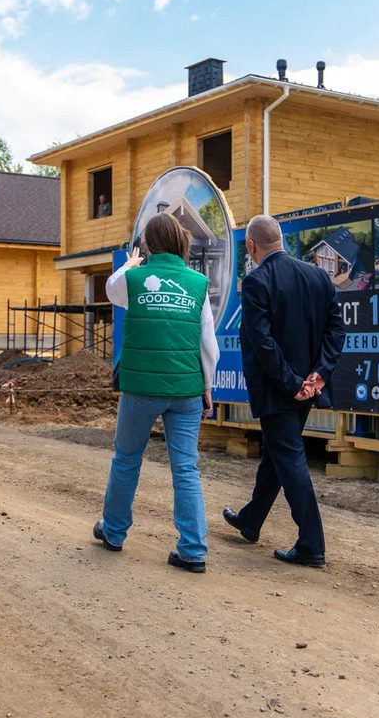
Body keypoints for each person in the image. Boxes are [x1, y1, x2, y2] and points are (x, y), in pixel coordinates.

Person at [93, 212, 220, 573]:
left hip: (140, 390)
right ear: (180, 242)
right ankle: (193, 549)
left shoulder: (132, 280)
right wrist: (207, 388)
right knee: (186, 468)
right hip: (186, 389)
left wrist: (130, 263)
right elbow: (207, 346)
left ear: (148, 245)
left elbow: (110, 289)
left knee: (127, 459)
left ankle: (114, 533)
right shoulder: (198, 283)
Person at [222, 214, 344, 567]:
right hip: (306, 387)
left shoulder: (257, 281)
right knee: (277, 453)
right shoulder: (319, 275)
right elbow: (336, 330)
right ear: (281, 240)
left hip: (281, 389)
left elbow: (261, 342)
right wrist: (317, 377)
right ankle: (251, 520)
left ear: (251, 245)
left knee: (288, 457)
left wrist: (292, 385)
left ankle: (311, 544)